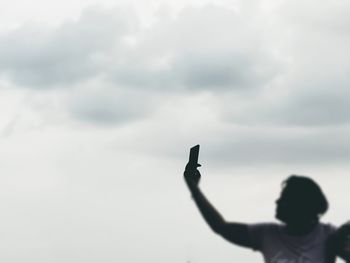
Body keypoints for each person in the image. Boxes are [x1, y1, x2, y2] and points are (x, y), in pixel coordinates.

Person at [184, 165, 349, 263]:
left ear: (302, 205)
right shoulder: (266, 234)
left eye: (284, 199)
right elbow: (221, 227)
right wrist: (194, 189)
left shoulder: (330, 236)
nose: (277, 202)